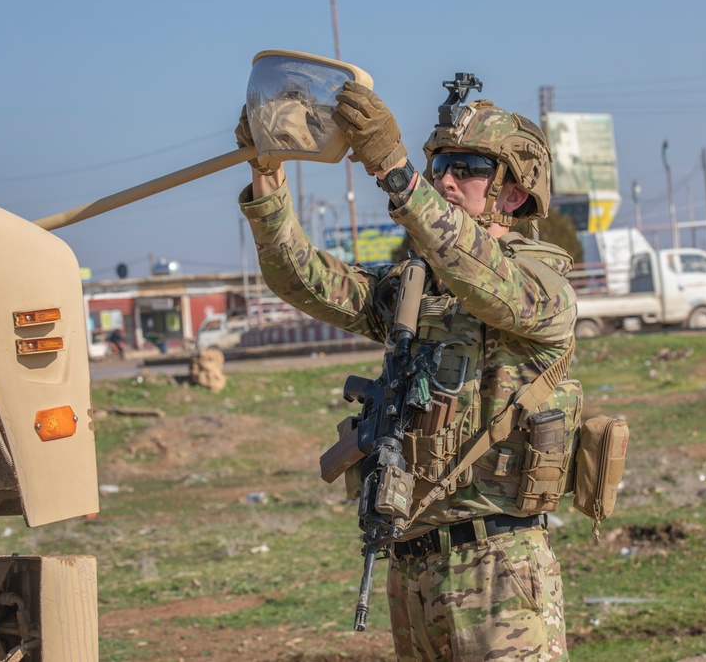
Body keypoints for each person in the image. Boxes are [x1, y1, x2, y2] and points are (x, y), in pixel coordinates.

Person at [237, 79, 579, 661]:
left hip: (499, 567)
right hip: (413, 563)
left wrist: (397, 171)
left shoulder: (542, 287)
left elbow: (484, 277)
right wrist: (267, 175)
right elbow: (300, 277)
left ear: (513, 195)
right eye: (440, 163)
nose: (446, 178)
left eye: (467, 167)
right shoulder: (416, 291)